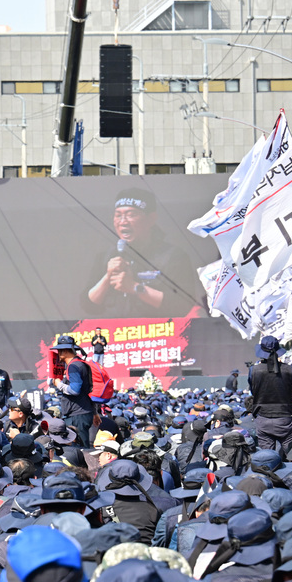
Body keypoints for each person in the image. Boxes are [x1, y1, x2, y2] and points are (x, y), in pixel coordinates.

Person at [84, 188, 199, 318]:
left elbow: (183, 306)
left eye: (131, 214)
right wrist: (107, 277)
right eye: (118, 215)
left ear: (151, 219)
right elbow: (89, 306)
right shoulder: (105, 257)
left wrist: (134, 287)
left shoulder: (173, 256)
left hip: (158, 335)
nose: (123, 222)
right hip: (115, 335)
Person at [248, 337, 292, 453]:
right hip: (285, 419)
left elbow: (253, 391)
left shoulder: (253, 370)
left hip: (263, 418)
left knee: (267, 458)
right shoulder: (288, 369)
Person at [50, 335, 96, 443]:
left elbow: (75, 390)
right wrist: (95, 412)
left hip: (78, 415)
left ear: (65, 351)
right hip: (83, 411)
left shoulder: (74, 366)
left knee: (80, 449)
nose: (58, 354)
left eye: (60, 351)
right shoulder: (79, 363)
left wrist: (59, 384)